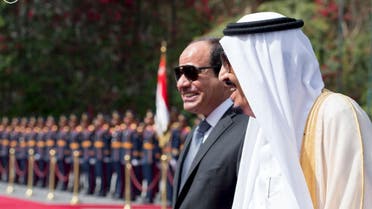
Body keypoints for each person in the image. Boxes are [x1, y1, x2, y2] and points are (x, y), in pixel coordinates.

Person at [219, 12, 372, 209]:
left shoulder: (336, 115)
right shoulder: (259, 132)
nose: (222, 75)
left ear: (264, 66)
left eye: (229, 63)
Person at [172, 37, 249, 209]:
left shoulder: (247, 129)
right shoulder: (197, 132)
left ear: (223, 74)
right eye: (179, 74)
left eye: (191, 73)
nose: (181, 83)